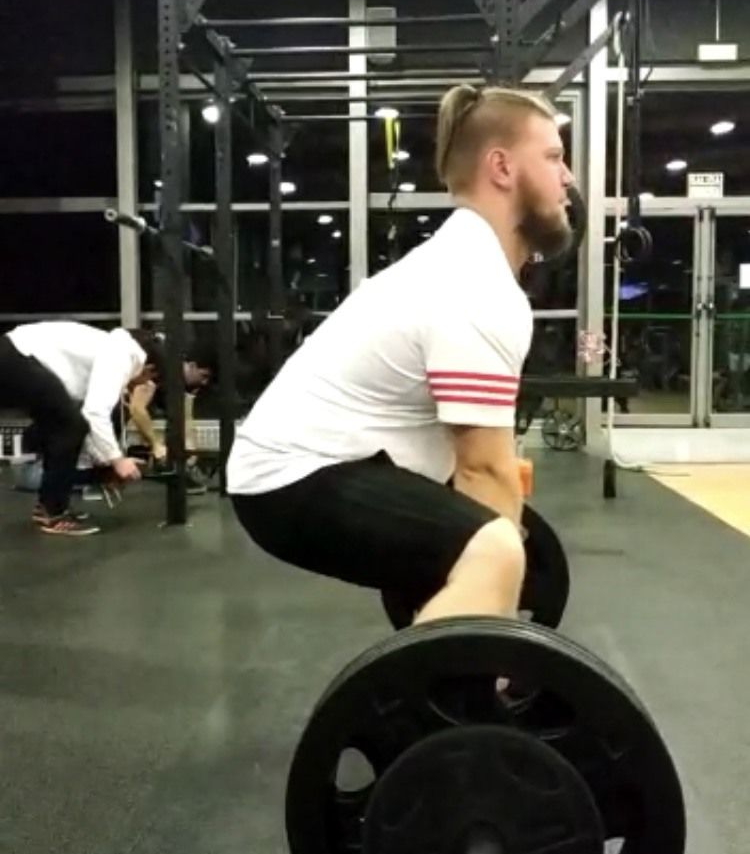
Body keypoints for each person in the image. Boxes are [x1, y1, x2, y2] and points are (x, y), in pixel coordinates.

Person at [227, 85, 575, 623]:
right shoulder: (472, 283)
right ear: (502, 168)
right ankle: (433, 676)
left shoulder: (465, 263)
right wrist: (493, 597)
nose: (567, 177)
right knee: (496, 550)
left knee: (539, 564)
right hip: (291, 477)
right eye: (553, 157)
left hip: (344, 461)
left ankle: (443, 658)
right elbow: (484, 471)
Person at [0, 320, 165, 536]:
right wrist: (117, 461)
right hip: (17, 355)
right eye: (148, 380)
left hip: (16, 354)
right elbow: (94, 414)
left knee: (65, 426)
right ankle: (52, 512)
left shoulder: (113, 349)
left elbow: (87, 422)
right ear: (149, 368)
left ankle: (50, 507)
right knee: (70, 427)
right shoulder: (124, 355)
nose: (142, 385)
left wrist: (106, 466)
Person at [124, 354, 213, 494]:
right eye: (203, 376)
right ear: (192, 366)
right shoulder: (160, 369)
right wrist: (156, 445)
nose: (204, 382)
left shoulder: (183, 384)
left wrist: (191, 452)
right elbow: (136, 409)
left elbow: (186, 418)